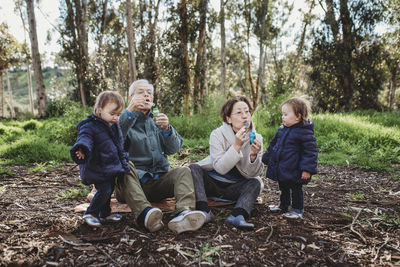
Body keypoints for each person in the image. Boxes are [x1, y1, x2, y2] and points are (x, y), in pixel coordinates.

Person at [114, 79, 205, 234]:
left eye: (149, 93)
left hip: (158, 182)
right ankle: (145, 214)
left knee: (184, 171)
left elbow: (174, 149)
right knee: (125, 165)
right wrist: (129, 111)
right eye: (141, 92)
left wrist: (167, 129)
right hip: (133, 185)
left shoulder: (157, 120)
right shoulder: (122, 119)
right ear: (130, 98)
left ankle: (184, 213)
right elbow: (114, 139)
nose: (146, 95)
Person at [189, 96, 264, 230]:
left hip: (234, 188)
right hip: (212, 183)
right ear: (228, 118)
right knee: (193, 168)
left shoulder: (256, 138)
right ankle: (203, 211)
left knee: (255, 183)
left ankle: (237, 215)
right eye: (239, 112)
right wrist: (236, 146)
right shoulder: (217, 134)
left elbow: (253, 173)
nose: (245, 116)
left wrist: (253, 156)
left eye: (247, 112)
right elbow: (220, 168)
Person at [70, 91, 130, 227]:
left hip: (109, 166)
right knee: (104, 190)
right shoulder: (90, 126)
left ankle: (105, 213)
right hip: (97, 167)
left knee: (109, 189)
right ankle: (91, 213)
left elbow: (118, 144)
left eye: (118, 115)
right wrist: (81, 148)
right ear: (99, 110)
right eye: (112, 114)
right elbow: (85, 138)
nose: (115, 118)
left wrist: (123, 159)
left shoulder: (114, 127)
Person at [262, 97, 318, 219]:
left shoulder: (304, 132)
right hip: (283, 167)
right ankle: (283, 206)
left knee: (296, 189)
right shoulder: (282, 130)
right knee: (283, 187)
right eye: (282, 114)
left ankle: (297, 210)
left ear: (297, 116)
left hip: (295, 168)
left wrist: (307, 169)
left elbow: (310, 151)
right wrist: (267, 158)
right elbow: (273, 145)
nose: (283, 117)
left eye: (286, 114)